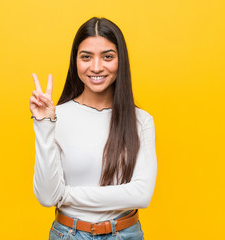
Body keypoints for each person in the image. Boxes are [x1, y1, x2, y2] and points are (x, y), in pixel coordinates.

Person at [29, 17, 157, 240]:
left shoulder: (140, 120)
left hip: (125, 234)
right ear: (75, 61)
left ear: (121, 61)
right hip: (69, 234)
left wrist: (67, 194)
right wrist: (44, 125)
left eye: (108, 57)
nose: (96, 67)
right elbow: (48, 197)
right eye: (86, 57)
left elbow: (141, 194)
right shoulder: (57, 116)